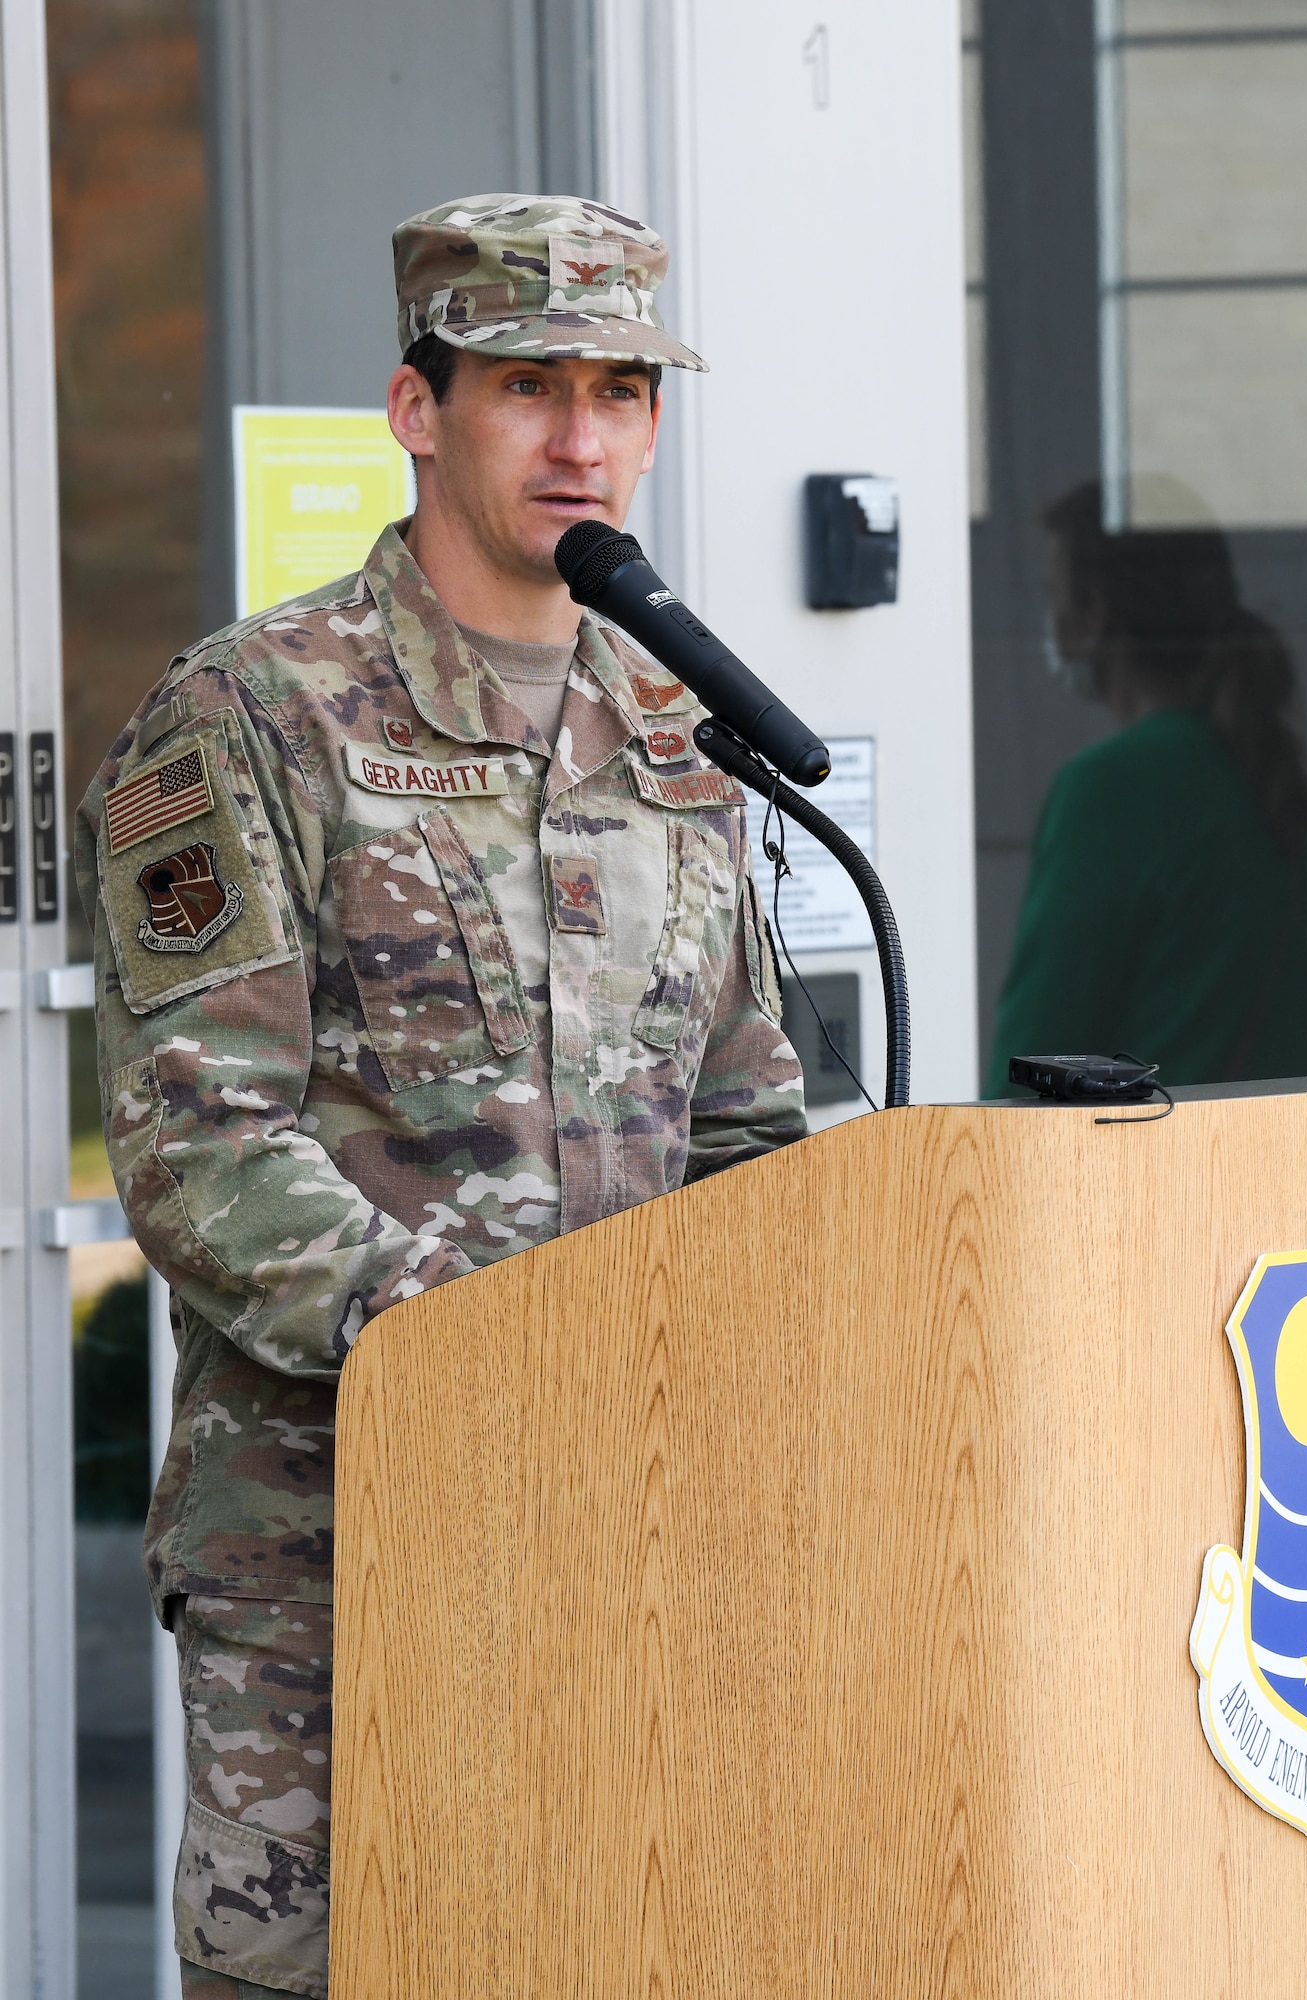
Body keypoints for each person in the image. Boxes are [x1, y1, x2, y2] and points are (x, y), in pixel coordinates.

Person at [75, 194, 806, 2000]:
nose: (583, 438)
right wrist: (501, 1365)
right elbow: (197, 1143)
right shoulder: (253, 713)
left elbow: (746, 1134)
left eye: (621, 390)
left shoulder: (673, 737)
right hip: (336, 1554)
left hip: (630, 1547)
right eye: (527, 386)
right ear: (418, 410)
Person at [983, 478, 1307, 1095]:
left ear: (1092, 614)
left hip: (1142, 1175)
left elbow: (1035, 1059)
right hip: (1273, 1162)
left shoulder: (1110, 788)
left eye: (1050, 595)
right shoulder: (1264, 766)